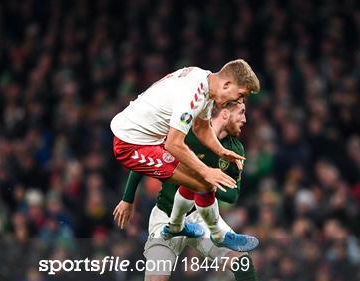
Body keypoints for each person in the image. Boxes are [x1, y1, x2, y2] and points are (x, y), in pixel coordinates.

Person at [113, 102, 300, 281]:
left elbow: (232, 195)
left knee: (242, 262)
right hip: (165, 216)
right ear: (225, 113)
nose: (245, 119)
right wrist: (127, 199)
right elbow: (144, 160)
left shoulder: (235, 150)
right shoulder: (185, 133)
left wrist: (205, 180)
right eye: (241, 113)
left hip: (202, 217)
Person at [111, 59, 260, 252]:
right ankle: (218, 234)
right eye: (240, 95)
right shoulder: (193, 95)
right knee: (202, 182)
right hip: (132, 145)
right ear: (227, 85)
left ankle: (176, 227)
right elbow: (173, 144)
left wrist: (220, 151)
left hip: (152, 140)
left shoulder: (205, 81)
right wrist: (206, 171)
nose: (239, 101)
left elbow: (201, 126)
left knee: (201, 180)